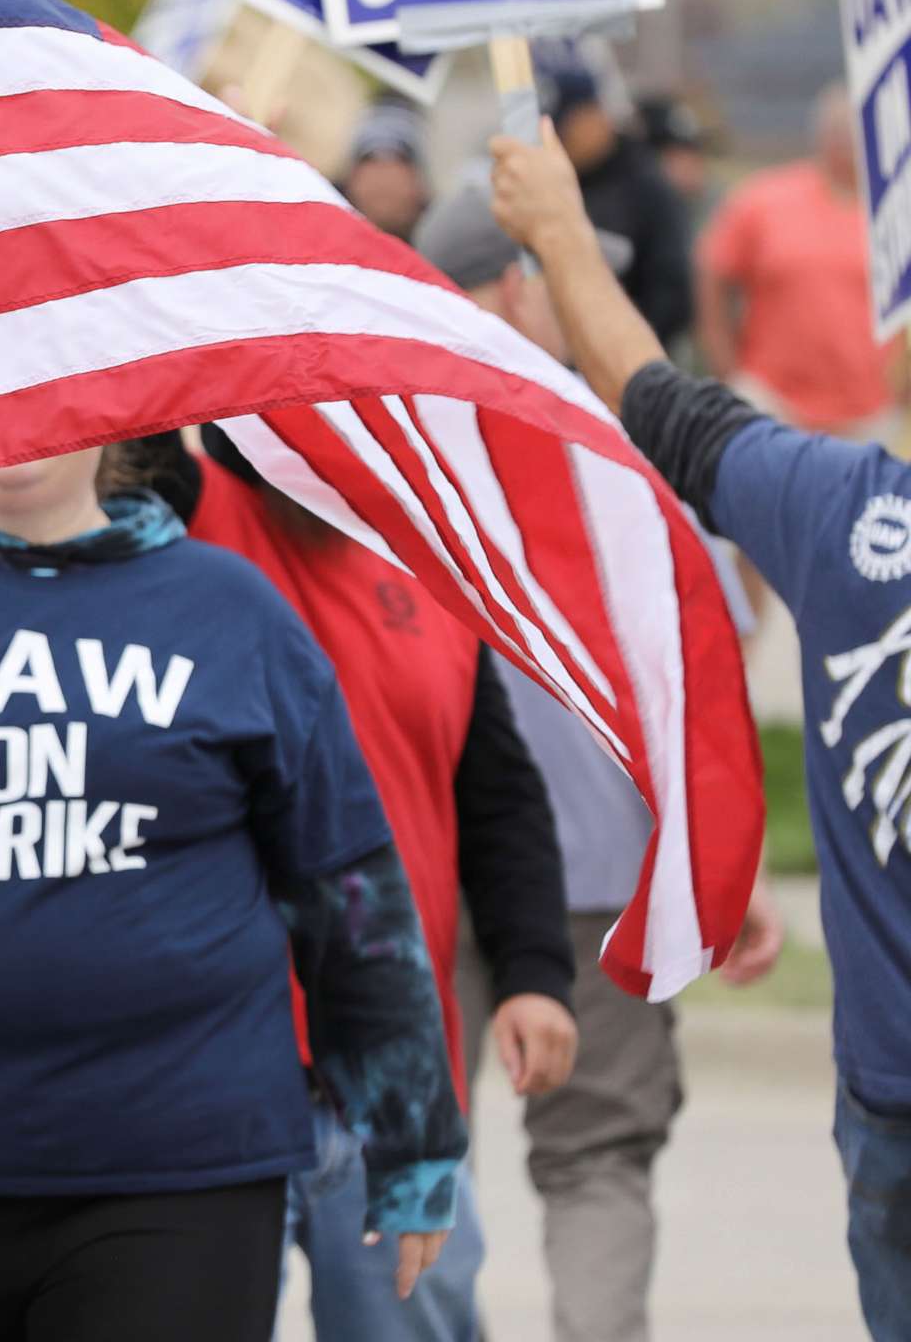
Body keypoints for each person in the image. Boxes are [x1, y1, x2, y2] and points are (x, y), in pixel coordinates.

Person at [0, 446, 463, 1342]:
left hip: (181, 1171)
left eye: (43, 392)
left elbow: (350, 896)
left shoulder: (232, 609)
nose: (16, 427)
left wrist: (413, 1143)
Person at [492, 123, 911, 1340]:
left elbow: (651, 398)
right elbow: (661, 405)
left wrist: (562, 236)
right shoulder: (842, 507)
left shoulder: (849, 514)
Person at [177, 414, 576, 1342]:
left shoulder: (432, 565)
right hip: (214, 1071)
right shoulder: (189, 515)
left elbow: (500, 799)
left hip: (393, 1076)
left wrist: (532, 975)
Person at [698, 83, 902, 440]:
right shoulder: (764, 199)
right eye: (836, 131)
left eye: (852, 131)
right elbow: (713, 269)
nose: (844, 143)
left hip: (868, 410)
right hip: (772, 399)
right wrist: (726, 368)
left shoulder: (895, 212)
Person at [543, 64, 693, 349]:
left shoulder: (644, 186)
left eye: (566, 126)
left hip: (631, 360)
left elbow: (672, 288)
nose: (561, 138)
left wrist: (633, 357)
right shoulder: (565, 178)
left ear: (594, 116)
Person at [340, 100, 433, 241]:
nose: (383, 177)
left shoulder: (443, 248)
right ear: (352, 178)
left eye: (398, 158)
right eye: (371, 158)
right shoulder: (318, 235)